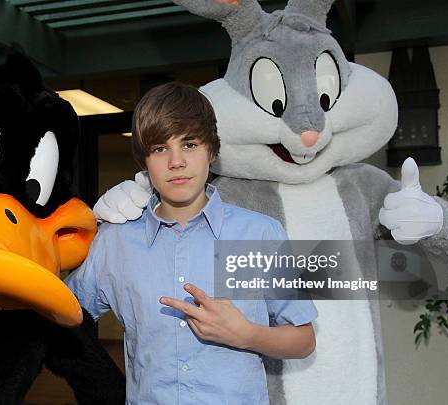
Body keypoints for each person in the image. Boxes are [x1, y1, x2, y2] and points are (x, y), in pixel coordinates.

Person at [66, 82, 317, 404]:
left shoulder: (258, 234)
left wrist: (247, 334)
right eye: (160, 148)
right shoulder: (115, 242)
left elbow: (304, 339)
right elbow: (60, 321)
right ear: (144, 160)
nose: (176, 161)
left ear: (211, 150)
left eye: (189, 144)